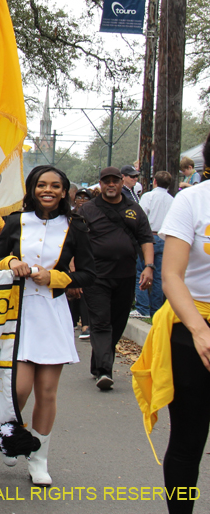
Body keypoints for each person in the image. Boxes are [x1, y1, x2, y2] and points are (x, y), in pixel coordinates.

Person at [0, 165, 95, 486]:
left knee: (47, 392)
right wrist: (12, 262)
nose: (48, 190)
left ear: (64, 192)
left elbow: (89, 273)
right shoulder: (15, 221)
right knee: (19, 389)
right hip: (18, 313)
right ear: (32, 189)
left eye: (56, 186)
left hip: (53, 312)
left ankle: (39, 460)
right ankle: (11, 437)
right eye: (41, 185)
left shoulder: (75, 226)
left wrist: (57, 278)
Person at [132, 134, 210, 514]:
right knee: (187, 440)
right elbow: (173, 277)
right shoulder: (193, 200)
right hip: (191, 332)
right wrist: (199, 330)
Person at [77, 166, 154, 391]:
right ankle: (104, 371)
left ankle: (99, 360)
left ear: (122, 183)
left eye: (114, 181)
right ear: (100, 185)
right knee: (101, 321)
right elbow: (75, 240)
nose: (110, 185)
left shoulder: (134, 210)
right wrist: (74, 268)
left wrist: (148, 267)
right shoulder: (88, 210)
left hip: (126, 275)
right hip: (96, 276)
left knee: (118, 322)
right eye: (106, 181)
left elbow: (146, 238)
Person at [134, 171, 175, 319]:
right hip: (165, 238)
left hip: (149, 236)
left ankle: (142, 307)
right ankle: (156, 309)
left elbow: (141, 215)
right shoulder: (172, 199)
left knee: (141, 270)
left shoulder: (148, 196)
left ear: (155, 182)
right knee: (158, 276)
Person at [70, 188, 94, 341]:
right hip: (70, 257)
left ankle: (86, 325)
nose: (82, 200)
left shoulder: (93, 216)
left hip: (86, 258)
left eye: (86, 197)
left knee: (84, 291)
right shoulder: (69, 217)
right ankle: (71, 323)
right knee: (72, 292)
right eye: (79, 197)